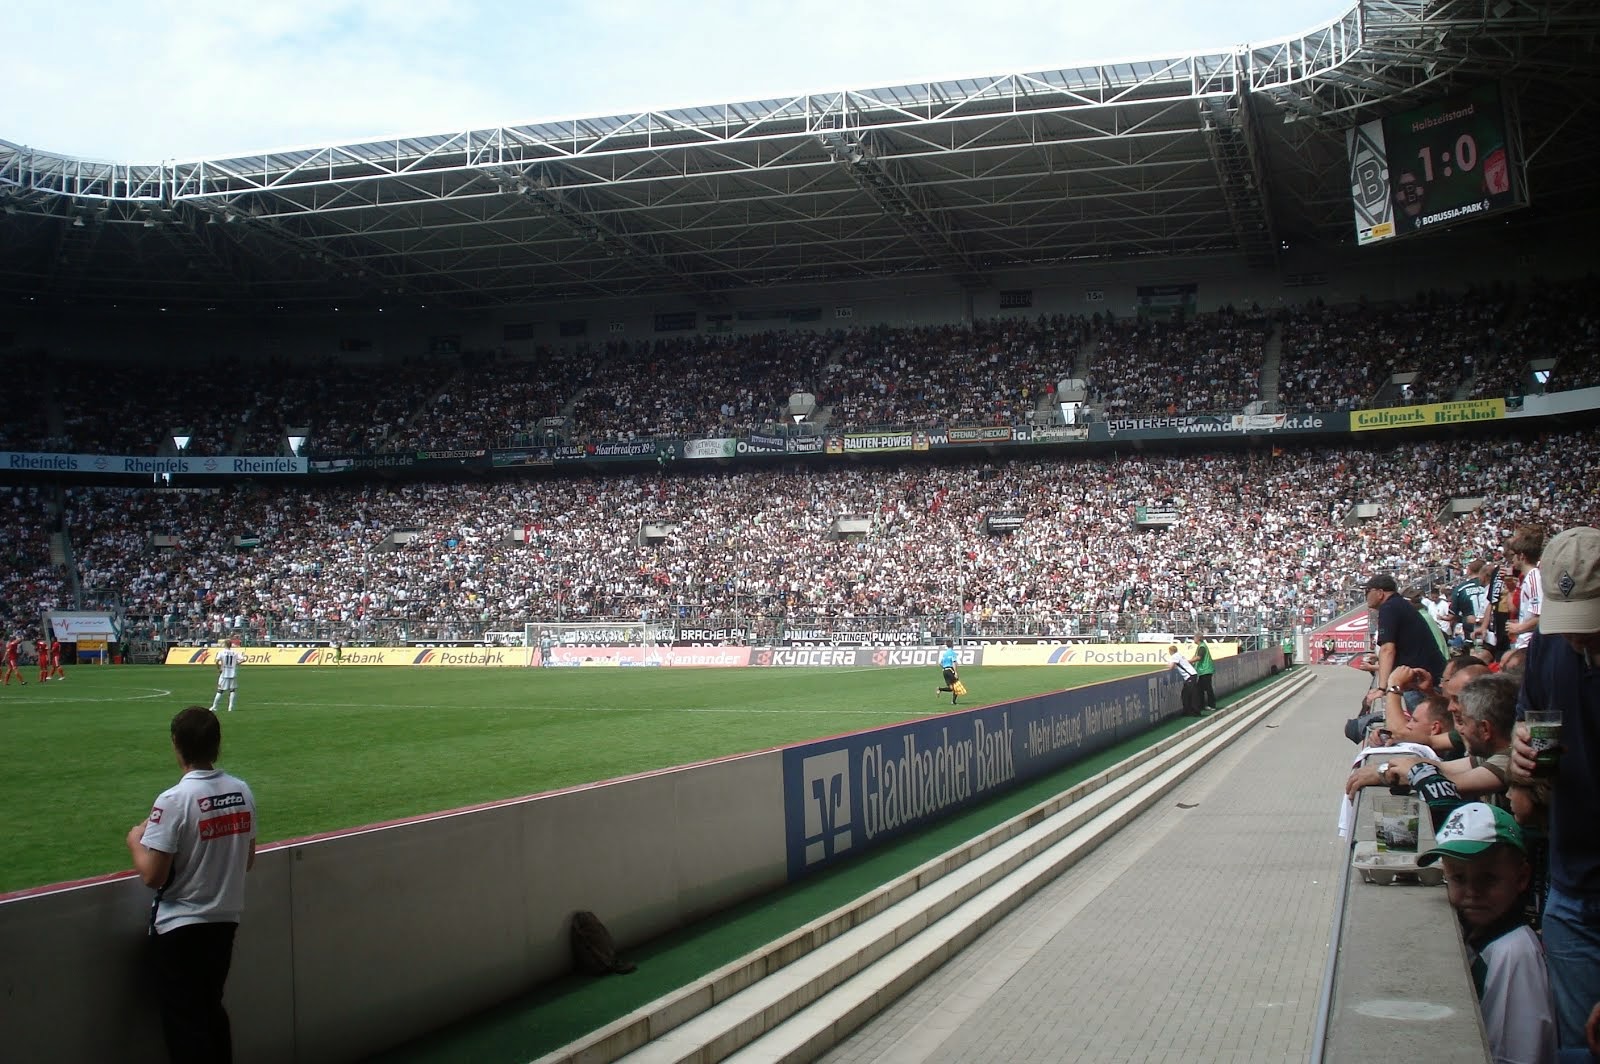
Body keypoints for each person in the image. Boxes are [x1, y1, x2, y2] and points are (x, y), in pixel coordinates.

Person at [1510, 526, 1600, 1051]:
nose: (1576, 638)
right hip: (1571, 886)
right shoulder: (1549, 644)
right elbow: (1527, 720)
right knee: (1576, 1047)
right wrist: (1521, 749)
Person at [126, 706, 257, 1064]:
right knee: (211, 1011)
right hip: (225, 921)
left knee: (185, 1024)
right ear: (217, 745)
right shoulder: (241, 791)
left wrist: (135, 841)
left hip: (180, 928)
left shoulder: (173, 800)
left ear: (176, 745)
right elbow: (248, 859)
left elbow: (153, 875)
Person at [1416, 802, 1557, 1064]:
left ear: (1521, 877)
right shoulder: (1478, 933)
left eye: (1488, 879)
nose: (1472, 892)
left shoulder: (1514, 954)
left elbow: (1517, 1056)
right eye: (1458, 878)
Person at [1361, 574, 1447, 714]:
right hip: (1427, 678)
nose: (1366, 596)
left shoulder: (1389, 607)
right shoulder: (1399, 605)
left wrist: (1382, 688)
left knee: (1423, 729)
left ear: (1380, 593)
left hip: (1420, 682)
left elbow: (1388, 649)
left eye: (1367, 591)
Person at [209, 640, 244, 713]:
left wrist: (219, 669)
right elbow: (243, 659)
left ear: (225, 644)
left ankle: (214, 706)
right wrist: (236, 663)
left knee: (220, 690)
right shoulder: (234, 652)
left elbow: (216, 661)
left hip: (224, 673)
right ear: (231, 645)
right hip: (232, 673)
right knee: (232, 690)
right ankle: (230, 707)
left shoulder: (221, 652)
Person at [1168, 643, 1200, 714]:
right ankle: (1189, 710)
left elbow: (1171, 666)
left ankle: (1194, 710)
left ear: (1171, 651)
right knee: (1186, 694)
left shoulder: (1174, 656)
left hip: (1190, 676)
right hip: (1192, 674)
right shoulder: (1179, 655)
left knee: (1190, 694)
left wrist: (1168, 665)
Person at [1190, 633, 1217, 711]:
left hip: (1205, 670)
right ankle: (1202, 705)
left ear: (1198, 638)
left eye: (1194, 638)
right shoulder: (1201, 646)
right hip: (1204, 670)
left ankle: (1211, 705)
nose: (1193, 639)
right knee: (1200, 688)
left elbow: (1199, 657)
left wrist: (1189, 661)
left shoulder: (1202, 647)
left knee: (1207, 688)